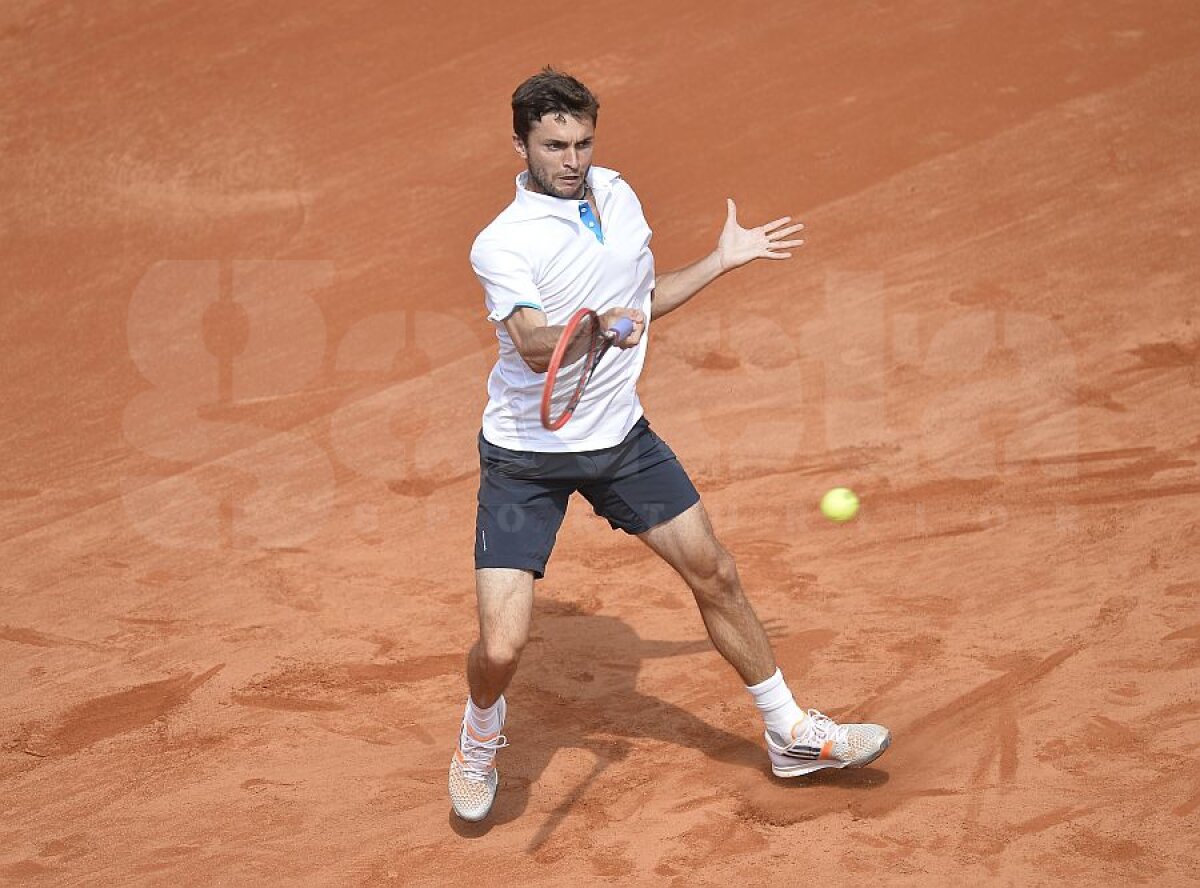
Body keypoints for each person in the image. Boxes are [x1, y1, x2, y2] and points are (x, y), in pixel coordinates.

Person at [449, 67, 890, 823]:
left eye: (584, 141)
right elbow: (529, 342)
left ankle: (789, 733)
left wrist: (720, 262)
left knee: (714, 572)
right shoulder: (503, 243)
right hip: (526, 456)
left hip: (620, 438)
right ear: (520, 144)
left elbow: (644, 305)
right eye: (555, 145)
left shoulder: (618, 197)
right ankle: (479, 737)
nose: (573, 159)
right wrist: (595, 328)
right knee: (502, 646)